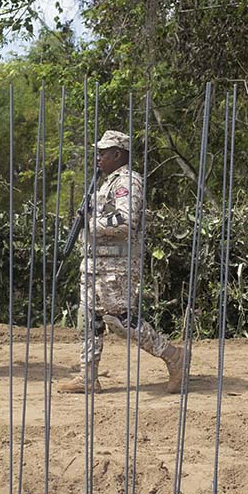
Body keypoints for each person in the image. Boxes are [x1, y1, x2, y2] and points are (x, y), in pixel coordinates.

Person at [59, 130, 187, 394]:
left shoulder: (128, 182)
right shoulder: (104, 183)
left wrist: (92, 223)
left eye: (103, 152)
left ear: (118, 154)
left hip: (116, 266)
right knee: (89, 319)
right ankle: (87, 377)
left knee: (120, 320)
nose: (98, 157)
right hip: (95, 263)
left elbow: (126, 221)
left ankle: (173, 355)